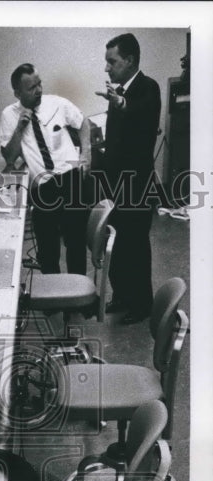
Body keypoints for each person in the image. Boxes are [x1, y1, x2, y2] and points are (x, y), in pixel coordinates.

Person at [95, 32, 162, 324]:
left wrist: (121, 104)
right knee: (117, 243)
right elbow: (116, 139)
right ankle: (121, 295)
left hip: (136, 184)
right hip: (114, 184)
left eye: (112, 61)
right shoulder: (117, 91)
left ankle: (141, 304)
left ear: (130, 60)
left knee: (135, 245)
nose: (107, 67)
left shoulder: (149, 88)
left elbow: (140, 112)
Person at [0, 63, 91, 275]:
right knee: (48, 249)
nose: (39, 90)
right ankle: (54, 297)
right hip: (43, 186)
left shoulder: (57, 104)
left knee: (75, 243)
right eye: (32, 88)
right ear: (17, 92)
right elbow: (9, 158)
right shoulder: (9, 115)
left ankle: (78, 299)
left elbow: (83, 122)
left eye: (39, 84)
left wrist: (85, 154)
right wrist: (20, 128)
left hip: (71, 178)